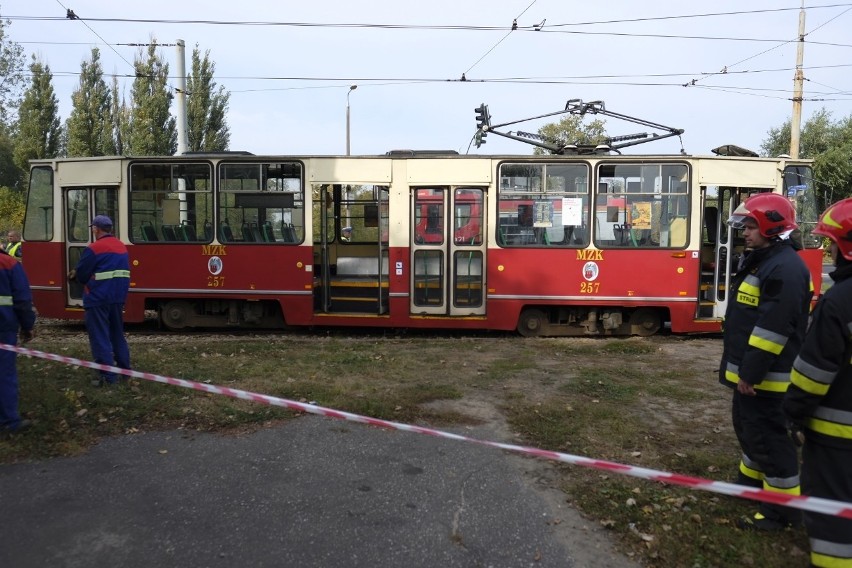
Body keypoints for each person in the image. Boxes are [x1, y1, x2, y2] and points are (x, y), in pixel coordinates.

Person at [719, 193, 813, 531]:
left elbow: (773, 329)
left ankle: (780, 514)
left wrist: (751, 373)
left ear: (771, 227)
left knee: (772, 443)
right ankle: (749, 488)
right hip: (754, 377)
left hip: (766, 381)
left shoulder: (785, 269)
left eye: (750, 225)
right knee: (750, 433)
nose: (744, 231)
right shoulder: (765, 260)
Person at [783, 197, 852, 567]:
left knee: (833, 519)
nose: (826, 251)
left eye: (830, 243)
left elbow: (813, 373)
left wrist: (792, 413)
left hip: (837, 440)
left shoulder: (839, 302)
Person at [68, 215, 131, 387]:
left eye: (93, 228)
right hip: (117, 298)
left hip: (97, 298)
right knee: (117, 335)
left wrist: (76, 274)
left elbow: (82, 274)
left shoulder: (94, 248)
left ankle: (108, 378)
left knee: (100, 337)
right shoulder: (121, 247)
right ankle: (125, 372)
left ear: (96, 229)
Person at [0, 245, 36, 434]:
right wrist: (28, 326)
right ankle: (9, 421)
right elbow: (22, 301)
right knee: (4, 374)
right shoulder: (9, 263)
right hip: (3, 327)